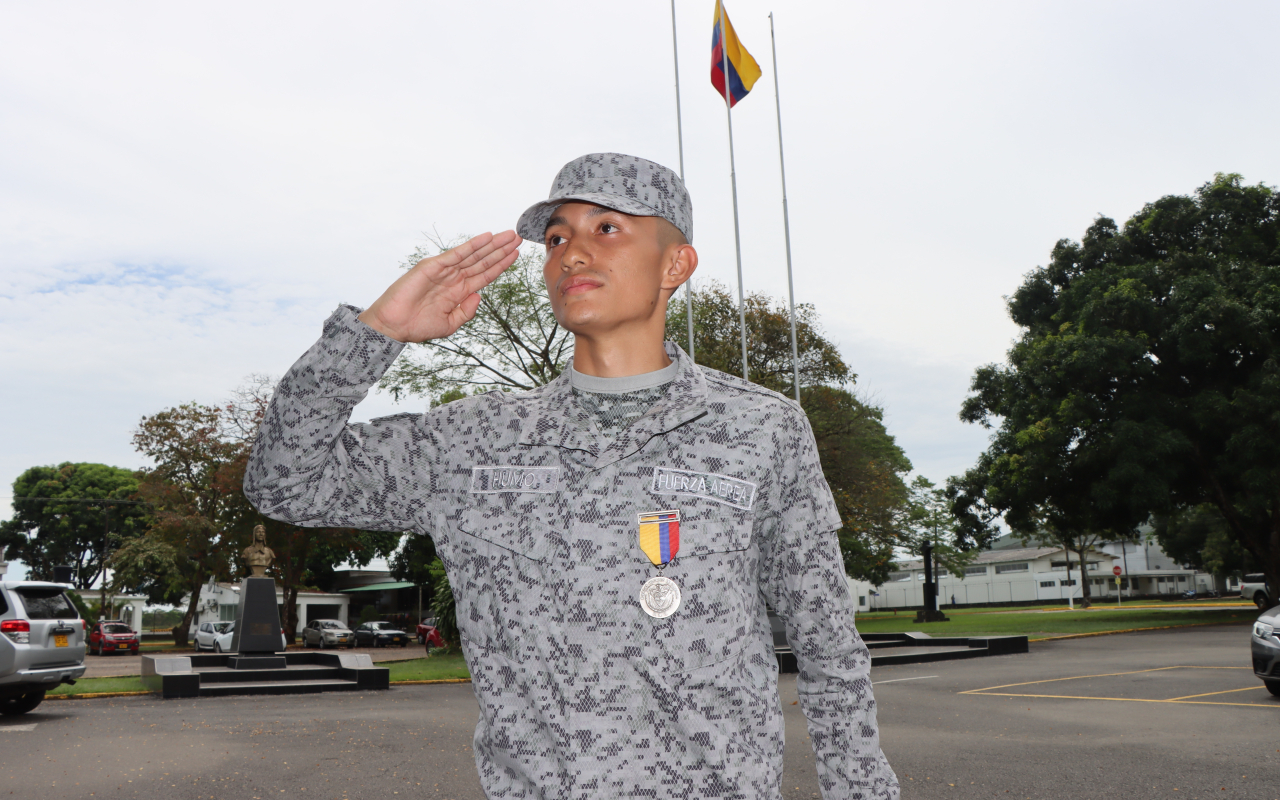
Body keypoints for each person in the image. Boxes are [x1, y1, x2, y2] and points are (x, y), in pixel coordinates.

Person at [245, 153, 898, 800]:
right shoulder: (469, 440)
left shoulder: (764, 429)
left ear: (676, 264)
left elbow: (826, 638)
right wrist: (376, 332)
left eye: (606, 229)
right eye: (557, 237)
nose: (571, 254)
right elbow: (283, 481)